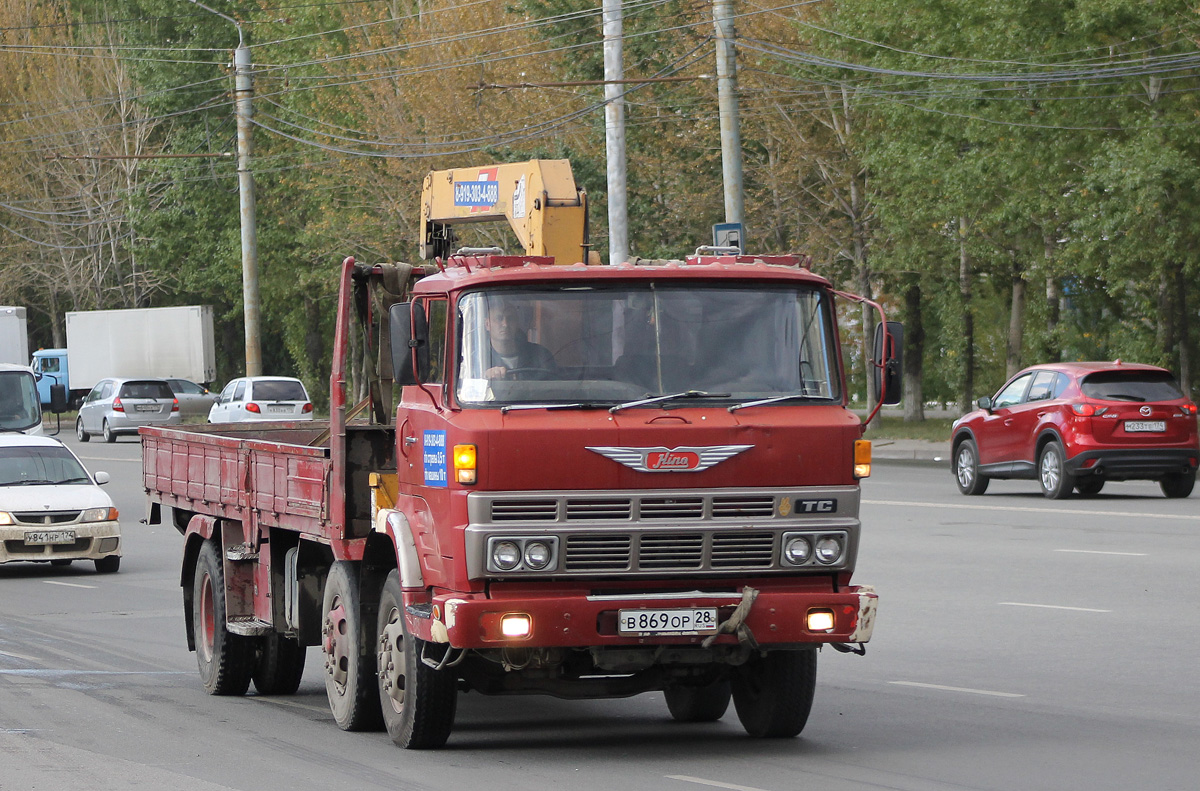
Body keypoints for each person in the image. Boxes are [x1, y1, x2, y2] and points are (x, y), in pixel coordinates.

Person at [482, 300, 556, 379]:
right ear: (487, 324)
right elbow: (470, 387)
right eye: (499, 318)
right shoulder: (478, 359)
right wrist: (484, 378)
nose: (505, 324)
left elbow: (555, 388)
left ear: (517, 323)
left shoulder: (541, 355)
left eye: (510, 318)